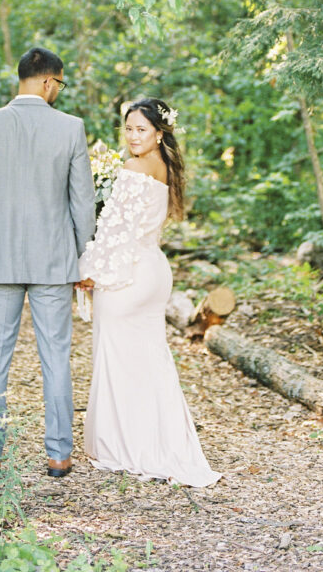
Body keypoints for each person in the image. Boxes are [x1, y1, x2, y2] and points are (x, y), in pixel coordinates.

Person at [0, 46, 95, 477]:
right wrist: (83, 258)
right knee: (55, 357)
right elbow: (83, 204)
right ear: (49, 81)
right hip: (54, 262)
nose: (58, 91)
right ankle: (59, 455)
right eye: (60, 84)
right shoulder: (71, 129)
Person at [76, 98, 220, 487]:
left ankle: (121, 445)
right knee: (151, 362)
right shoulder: (167, 169)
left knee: (117, 358)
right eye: (129, 129)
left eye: (141, 129)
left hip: (128, 275)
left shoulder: (134, 167)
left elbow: (114, 232)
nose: (133, 136)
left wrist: (88, 272)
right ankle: (161, 441)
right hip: (154, 271)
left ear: (159, 133)